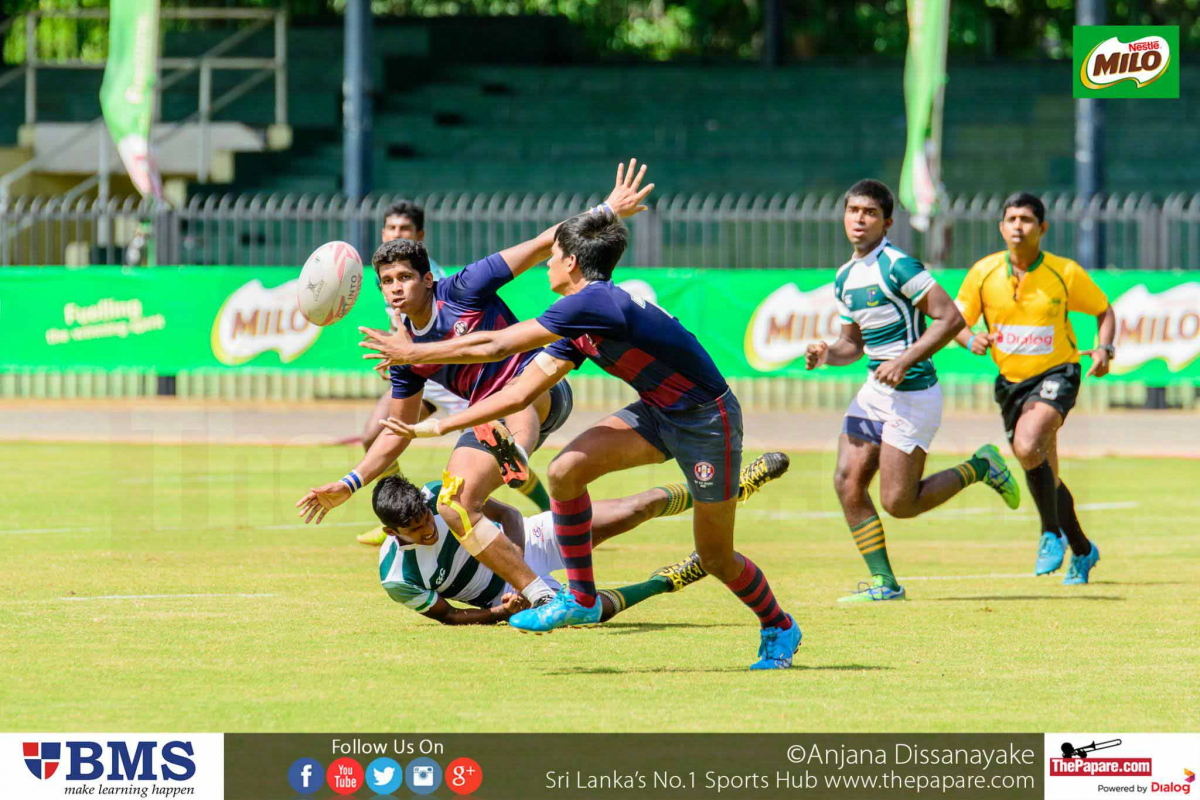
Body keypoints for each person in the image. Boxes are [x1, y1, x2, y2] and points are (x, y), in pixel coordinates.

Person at [362, 160, 800, 670]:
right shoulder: (578, 321)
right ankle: (582, 597)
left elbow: (496, 345)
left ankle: (779, 625)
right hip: (656, 413)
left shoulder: (594, 303)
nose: (546, 263)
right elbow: (520, 390)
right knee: (566, 471)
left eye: (553, 257)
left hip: (707, 421)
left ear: (570, 262)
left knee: (716, 556)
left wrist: (413, 353)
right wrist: (439, 425)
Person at [296, 164, 653, 611]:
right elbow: (396, 432)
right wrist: (349, 484)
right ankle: (539, 593)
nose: (395, 289)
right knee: (454, 504)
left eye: (404, 277)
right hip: (487, 416)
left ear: (428, 279)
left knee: (514, 394)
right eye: (387, 282)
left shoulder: (465, 286)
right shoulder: (404, 353)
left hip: (541, 386)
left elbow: (542, 243)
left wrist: (607, 210)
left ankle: (514, 454)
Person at [804, 180, 1021, 603]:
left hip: (914, 395)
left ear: (887, 223)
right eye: (853, 211)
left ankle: (981, 467)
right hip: (875, 393)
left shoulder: (898, 266)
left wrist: (904, 360)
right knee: (847, 481)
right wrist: (826, 353)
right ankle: (884, 584)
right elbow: (852, 344)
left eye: (870, 213)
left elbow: (951, 319)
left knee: (899, 504)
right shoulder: (844, 276)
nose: (859, 219)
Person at [374, 451, 789, 625]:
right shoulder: (397, 577)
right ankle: (670, 579)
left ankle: (731, 488)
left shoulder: (440, 495)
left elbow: (508, 514)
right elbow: (449, 616)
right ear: (392, 533)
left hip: (527, 541)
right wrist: (501, 611)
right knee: (586, 615)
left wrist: (518, 567)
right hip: (505, 597)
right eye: (415, 529)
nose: (428, 527)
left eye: (425, 517)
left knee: (635, 508)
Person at [953, 191, 1115, 585]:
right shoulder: (983, 273)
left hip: (1058, 373)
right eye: (1011, 219)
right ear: (1001, 227)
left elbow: (1104, 310)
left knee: (1027, 446)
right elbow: (955, 321)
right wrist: (970, 339)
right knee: (1043, 469)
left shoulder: (1064, 272)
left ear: (1042, 228)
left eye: (1026, 220)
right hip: (1011, 385)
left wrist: (1105, 349)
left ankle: (1049, 533)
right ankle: (1082, 550)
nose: (1018, 226)